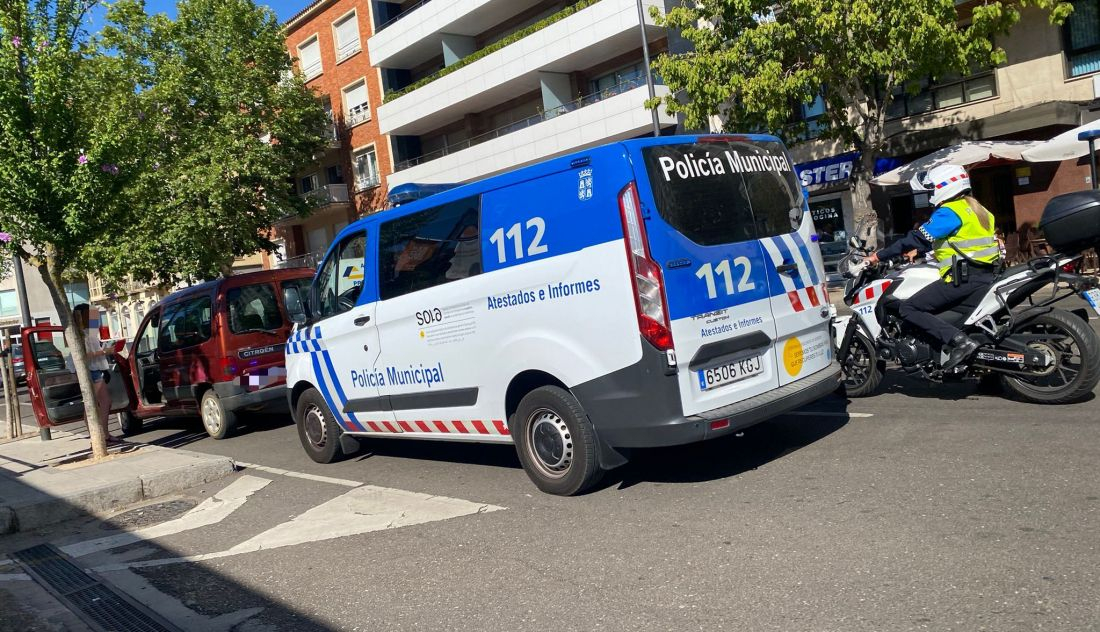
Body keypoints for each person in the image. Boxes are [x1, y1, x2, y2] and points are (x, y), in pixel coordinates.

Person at [866, 164, 1001, 370]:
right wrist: (918, 253)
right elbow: (955, 241)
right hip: (984, 275)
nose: (931, 194)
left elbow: (918, 238)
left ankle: (960, 342)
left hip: (961, 279)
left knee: (909, 308)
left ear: (944, 186)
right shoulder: (979, 210)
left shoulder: (949, 212)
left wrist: (878, 255)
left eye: (932, 188)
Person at [72, 304, 120, 445]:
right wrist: (106, 352)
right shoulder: (80, 333)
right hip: (90, 370)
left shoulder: (88, 331)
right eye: (92, 315)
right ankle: (100, 436)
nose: (95, 318)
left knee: (98, 403)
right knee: (97, 404)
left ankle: (102, 435)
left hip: (94, 369)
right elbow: (83, 355)